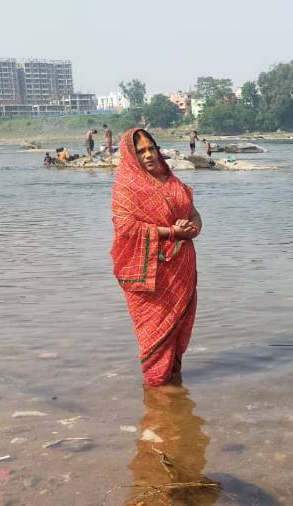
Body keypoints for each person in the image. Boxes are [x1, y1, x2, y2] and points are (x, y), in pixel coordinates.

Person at [110, 128, 203, 387]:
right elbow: (126, 228)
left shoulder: (173, 182)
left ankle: (172, 402)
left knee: (178, 332)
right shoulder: (126, 187)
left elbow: (194, 213)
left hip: (182, 269)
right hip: (151, 275)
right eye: (141, 151)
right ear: (131, 156)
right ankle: (155, 392)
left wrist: (193, 228)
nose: (149, 155)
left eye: (151, 148)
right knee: (154, 334)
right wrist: (172, 231)